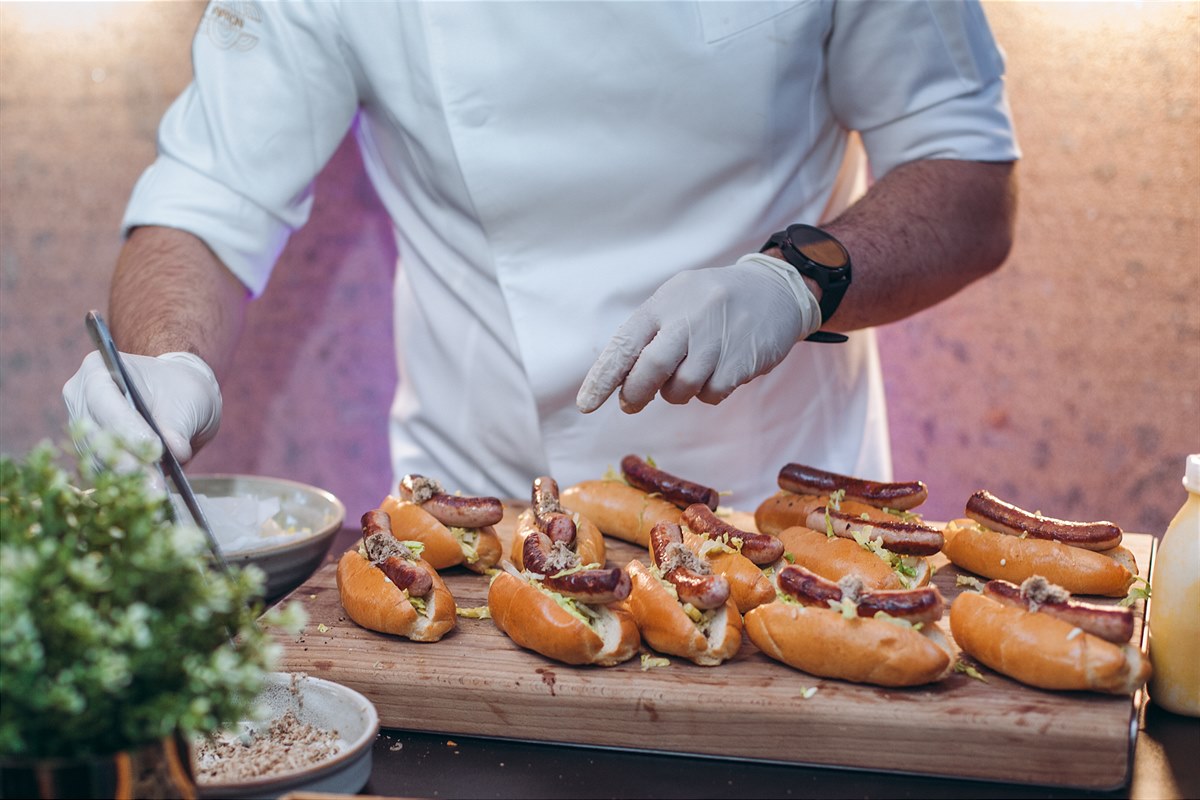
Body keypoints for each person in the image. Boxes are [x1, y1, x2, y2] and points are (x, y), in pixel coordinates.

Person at [63, 0, 1019, 509]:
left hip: (775, 505)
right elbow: (209, 197)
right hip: (480, 518)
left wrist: (797, 281)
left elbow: (968, 181)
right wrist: (163, 365)